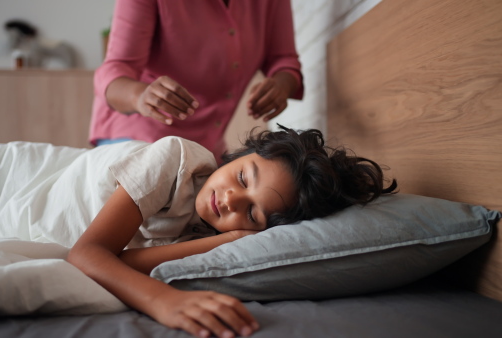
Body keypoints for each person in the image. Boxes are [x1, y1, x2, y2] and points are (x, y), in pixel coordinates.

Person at [68, 126, 397, 338]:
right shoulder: (176, 160)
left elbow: (120, 261)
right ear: (243, 154)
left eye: (252, 212)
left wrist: (227, 241)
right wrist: (164, 301)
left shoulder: (208, 236)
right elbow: (86, 254)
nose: (229, 201)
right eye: (242, 178)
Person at [89, 0, 304, 161]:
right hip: (136, 136)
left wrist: (282, 85)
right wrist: (140, 96)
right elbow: (115, 69)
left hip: (207, 149)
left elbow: (283, 59)